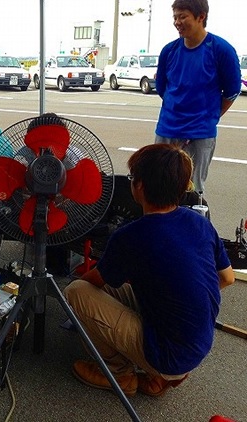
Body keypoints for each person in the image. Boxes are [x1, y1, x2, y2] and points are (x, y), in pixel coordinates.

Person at [64, 144, 234, 397]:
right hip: (197, 345)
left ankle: (119, 373)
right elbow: (227, 278)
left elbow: (93, 282)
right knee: (121, 285)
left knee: (76, 291)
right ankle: (159, 378)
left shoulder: (132, 235)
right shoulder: (199, 222)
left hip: (168, 355)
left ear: (140, 186)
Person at [154, 0, 241, 194]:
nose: (177, 22)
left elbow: (232, 91)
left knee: (191, 191)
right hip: (166, 130)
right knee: (158, 187)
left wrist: (210, 117)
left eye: (183, 17)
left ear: (201, 16)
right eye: (175, 17)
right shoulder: (169, 51)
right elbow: (162, 88)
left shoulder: (221, 50)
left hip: (200, 134)